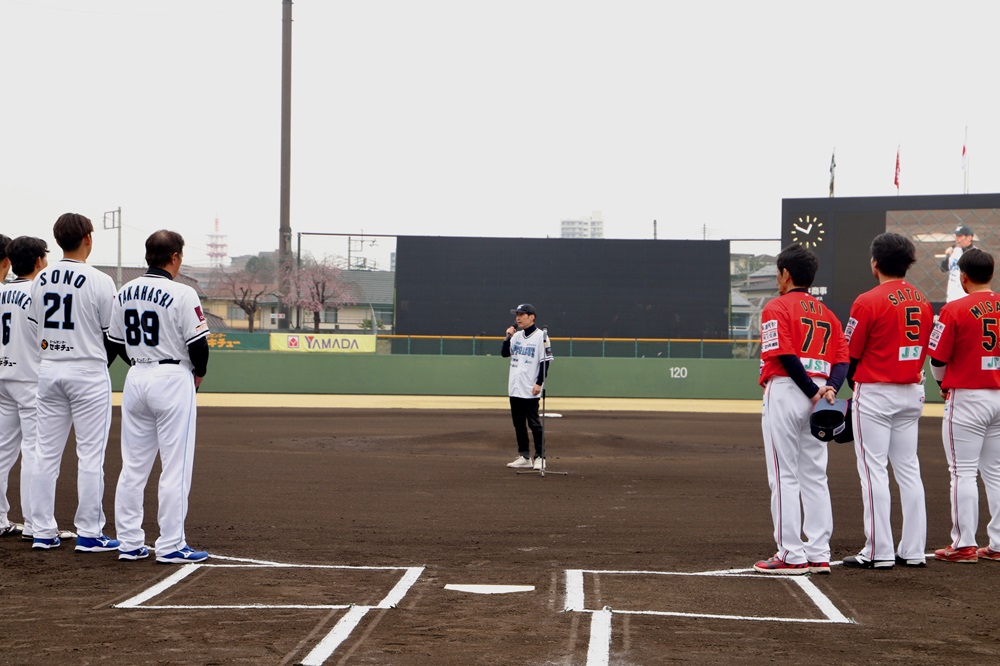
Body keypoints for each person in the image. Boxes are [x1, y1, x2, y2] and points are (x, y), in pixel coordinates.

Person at [108, 230, 210, 563]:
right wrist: (199, 373)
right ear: (175, 257)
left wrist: (142, 364)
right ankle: (171, 544)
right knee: (175, 467)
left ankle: (128, 542)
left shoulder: (125, 291)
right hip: (172, 377)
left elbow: (115, 344)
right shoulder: (183, 292)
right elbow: (199, 346)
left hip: (137, 377)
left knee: (133, 466)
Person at [28, 213, 121, 552]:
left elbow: (34, 326)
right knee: (90, 456)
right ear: (87, 239)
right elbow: (112, 334)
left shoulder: (41, 278)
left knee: (45, 454)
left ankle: (42, 531)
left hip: (49, 368)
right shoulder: (100, 280)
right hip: (87, 371)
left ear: (58, 240)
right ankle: (90, 533)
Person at [841, 233, 933, 570]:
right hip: (911, 391)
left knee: (873, 471)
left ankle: (878, 550)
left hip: (876, 391)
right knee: (908, 469)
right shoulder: (923, 300)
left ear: (875, 263)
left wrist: (852, 388)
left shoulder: (867, 301)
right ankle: (913, 550)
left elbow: (850, 354)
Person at [755, 244, 849, 575]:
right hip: (821, 396)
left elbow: (784, 354)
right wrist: (829, 389)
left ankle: (791, 553)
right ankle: (819, 552)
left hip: (788, 390)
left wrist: (810, 390)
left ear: (786, 274)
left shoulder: (776, 306)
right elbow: (843, 360)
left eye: (778, 273)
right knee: (814, 474)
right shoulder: (828, 314)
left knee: (784, 474)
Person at [928, 248, 1000, 563]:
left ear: (963, 277)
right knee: (996, 472)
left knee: (963, 471)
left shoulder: (954, 309)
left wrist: (942, 384)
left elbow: (937, 360)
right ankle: (998, 544)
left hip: (968, 396)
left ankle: (964, 545)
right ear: (991, 274)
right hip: (998, 396)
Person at [0, 237, 49, 541]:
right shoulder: (38, 292)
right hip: (30, 379)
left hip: (3, 376)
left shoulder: (2, 291)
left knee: (2, 450)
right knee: (34, 451)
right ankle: (34, 524)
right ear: (38, 261)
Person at [501, 303, 552, 470]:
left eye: (521, 315)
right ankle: (524, 456)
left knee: (534, 424)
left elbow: (545, 363)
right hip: (515, 387)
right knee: (518, 424)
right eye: (517, 315)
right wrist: (507, 337)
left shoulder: (541, 336)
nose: (518, 318)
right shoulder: (516, 336)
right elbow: (504, 353)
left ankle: (540, 457)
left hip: (530, 388)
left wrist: (539, 383)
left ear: (532, 317)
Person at [941, 225, 975, 303]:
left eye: (960, 236)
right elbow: (943, 268)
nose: (956, 239)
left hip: (967, 297)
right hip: (951, 297)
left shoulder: (976, 254)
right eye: (956, 236)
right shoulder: (954, 251)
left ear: (969, 238)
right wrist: (948, 256)